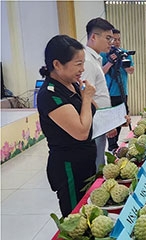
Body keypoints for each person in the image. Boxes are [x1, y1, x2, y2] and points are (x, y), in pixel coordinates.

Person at [37, 35, 97, 217]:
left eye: (83, 63)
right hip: (69, 167)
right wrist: (86, 98)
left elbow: (92, 113)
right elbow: (80, 131)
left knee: (88, 214)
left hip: (85, 160)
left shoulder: (72, 84)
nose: (83, 69)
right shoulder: (50, 94)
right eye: (78, 64)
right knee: (75, 218)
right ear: (57, 64)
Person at [81, 17, 118, 170]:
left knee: (100, 156)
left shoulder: (96, 58)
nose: (112, 42)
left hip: (99, 120)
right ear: (94, 37)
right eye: (108, 38)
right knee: (97, 162)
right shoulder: (88, 61)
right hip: (95, 122)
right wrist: (106, 122)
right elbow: (86, 95)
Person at [101, 29, 134, 153]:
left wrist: (125, 64)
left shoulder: (125, 53)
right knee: (111, 121)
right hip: (109, 93)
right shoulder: (104, 55)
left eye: (119, 39)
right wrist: (111, 61)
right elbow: (101, 72)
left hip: (122, 91)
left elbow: (131, 70)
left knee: (121, 119)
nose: (117, 42)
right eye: (114, 39)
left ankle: (115, 143)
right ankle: (112, 146)